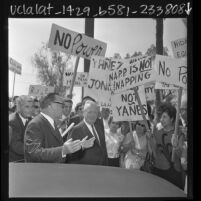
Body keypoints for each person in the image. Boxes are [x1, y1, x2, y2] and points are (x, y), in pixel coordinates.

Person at [24, 93, 85, 163]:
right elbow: (34, 153)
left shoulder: (51, 123)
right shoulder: (36, 124)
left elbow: (59, 149)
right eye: (62, 105)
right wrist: (63, 150)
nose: (63, 108)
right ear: (51, 105)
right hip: (41, 172)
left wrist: (77, 146)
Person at [150, 103, 184, 189]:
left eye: (164, 117)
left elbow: (181, 156)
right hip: (157, 171)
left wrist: (176, 146)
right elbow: (153, 152)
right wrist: (150, 139)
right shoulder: (157, 132)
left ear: (172, 119)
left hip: (173, 173)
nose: (161, 119)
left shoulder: (179, 134)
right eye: (161, 117)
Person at [67, 100, 108, 165]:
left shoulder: (99, 127)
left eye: (95, 112)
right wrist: (82, 147)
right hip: (85, 170)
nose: (93, 115)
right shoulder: (76, 129)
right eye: (90, 112)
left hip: (101, 169)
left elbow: (103, 150)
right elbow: (70, 155)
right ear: (83, 112)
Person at [9, 95, 33, 162]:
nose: (30, 110)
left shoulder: (31, 120)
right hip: (15, 162)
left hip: (26, 160)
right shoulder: (12, 122)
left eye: (32, 107)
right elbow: (16, 146)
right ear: (19, 107)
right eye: (27, 107)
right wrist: (35, 150)